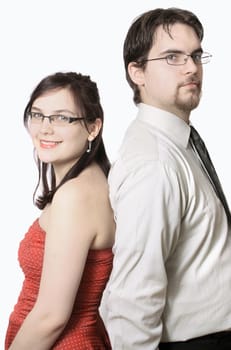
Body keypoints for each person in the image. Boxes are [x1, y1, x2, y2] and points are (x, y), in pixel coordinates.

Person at [102, 7, 231, 350]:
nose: (192, 68)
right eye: (172, 57)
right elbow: (132, 300)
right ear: (137, 72)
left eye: (196, 55)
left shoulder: (179, 144)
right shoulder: (155, 163)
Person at [5, 71, 115, 349]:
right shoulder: (91, 182)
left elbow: (52, 317)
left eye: (62, 118)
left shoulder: (75, 196)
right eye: (38, 115)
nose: (45, 128)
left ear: (93, 127)